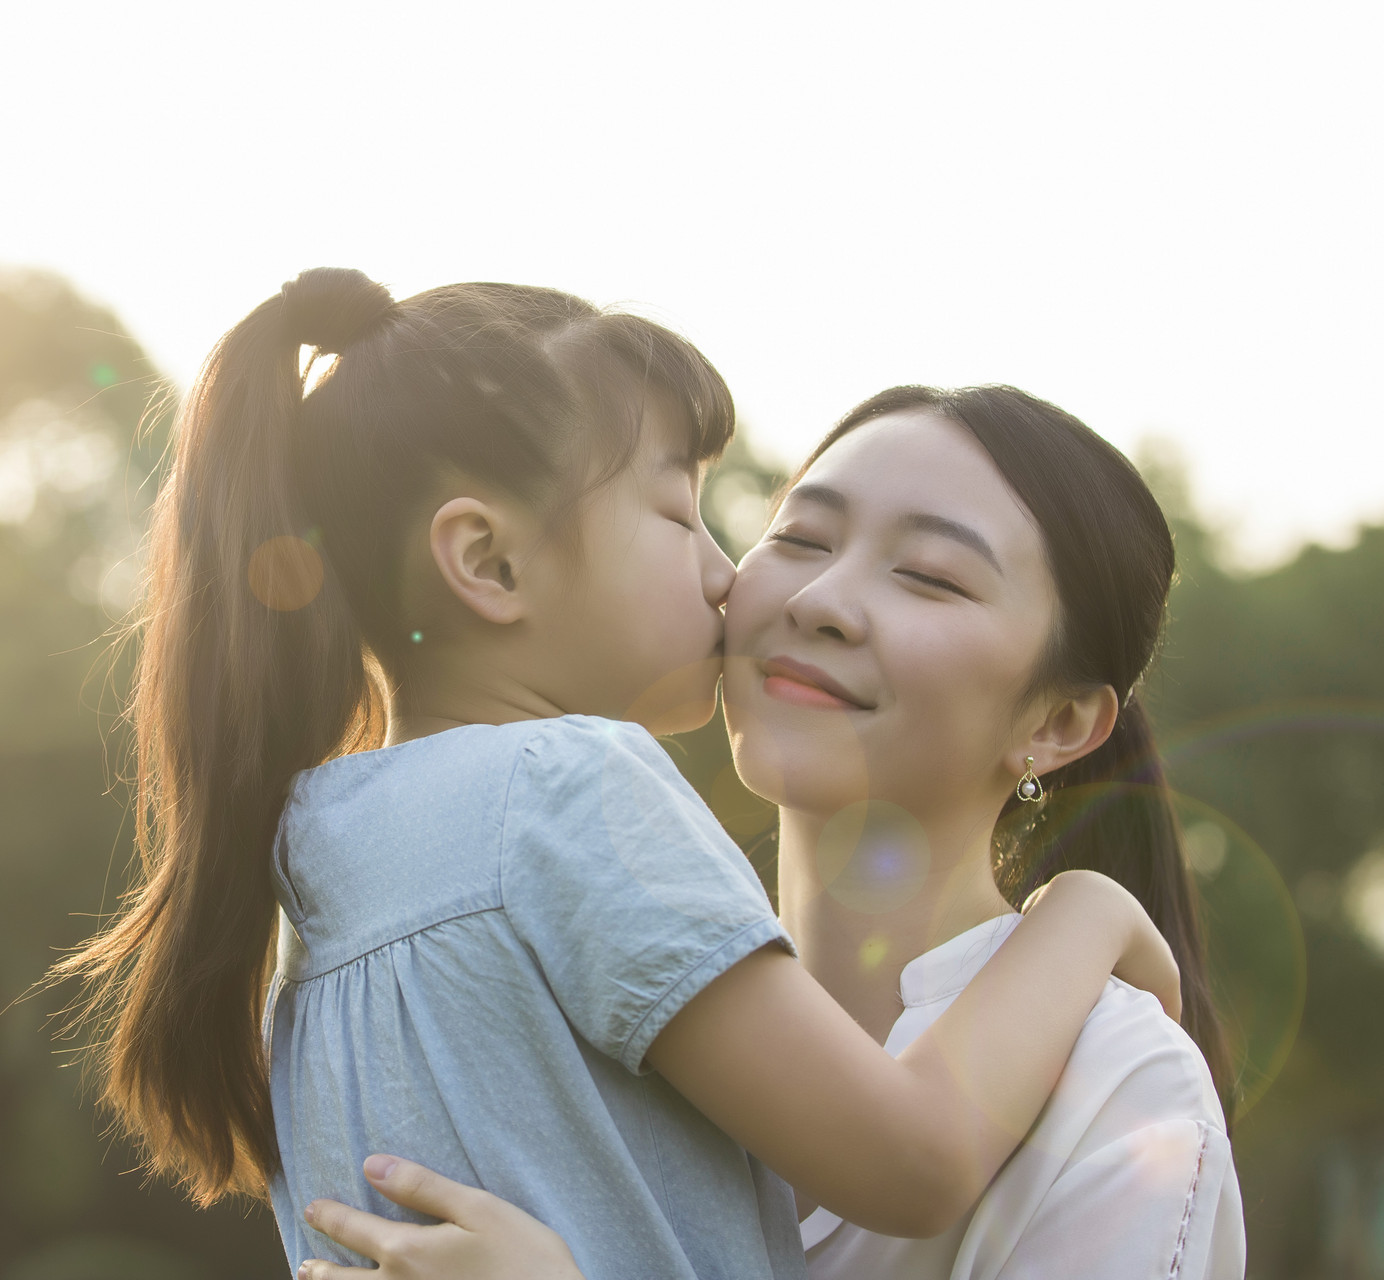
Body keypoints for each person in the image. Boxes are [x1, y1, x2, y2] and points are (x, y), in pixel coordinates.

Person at [49, 274, 1181, 1280]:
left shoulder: (317, 853)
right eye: (681, 514)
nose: (729, 577)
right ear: (489, 562)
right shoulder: (571, 786)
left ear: (1064, 719)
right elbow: (918, 1160)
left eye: (928, 574)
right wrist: (1085, 908)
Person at [294, 385, 1245, 1279]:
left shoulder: (1121, 1090)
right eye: (799, 538)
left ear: (1060, 723)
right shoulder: (570, 1001)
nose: (818, 600)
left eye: (930, 577)